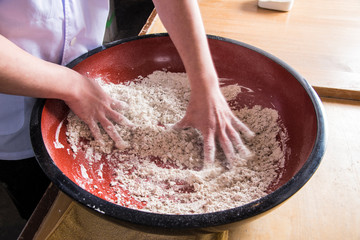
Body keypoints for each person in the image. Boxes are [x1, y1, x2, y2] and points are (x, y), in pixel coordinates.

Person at [0, 0, 253, 221]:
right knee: (43, 208)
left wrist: (205, 82)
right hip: (12, 114)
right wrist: (72, 84)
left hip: (87, 71)